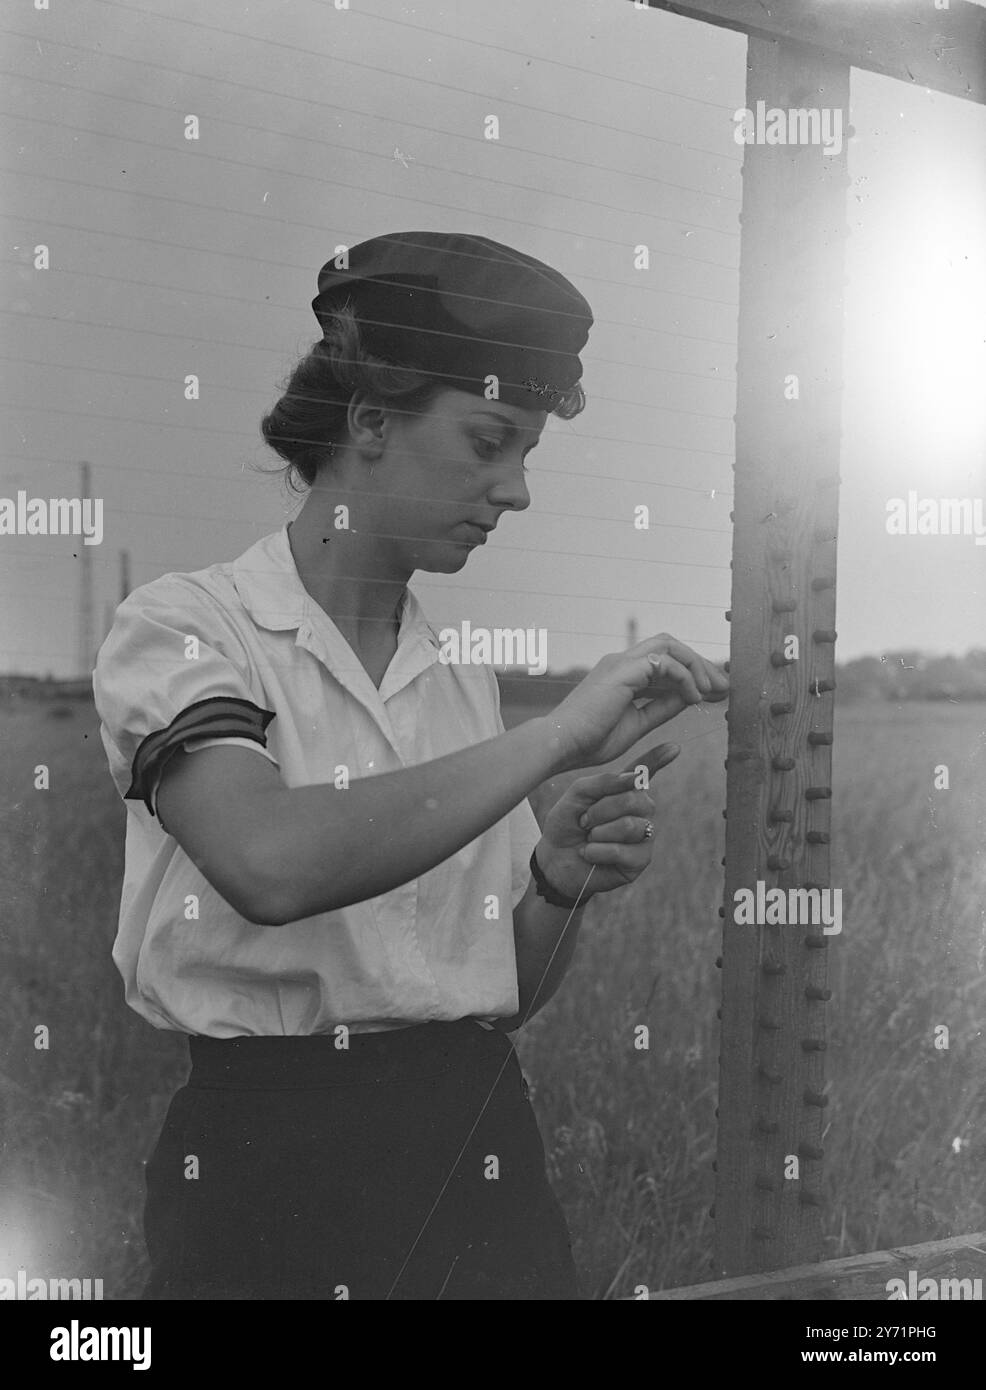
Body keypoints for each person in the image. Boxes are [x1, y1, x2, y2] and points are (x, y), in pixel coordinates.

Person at [92, 230, 728, 1301]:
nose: (514, 491)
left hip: (474, 1148)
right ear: (370, 421)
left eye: (524, 453)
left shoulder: (453, 679)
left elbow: (490, 992)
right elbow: (268, 860)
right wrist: (556, 736)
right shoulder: (191, 627)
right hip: (265, 1163)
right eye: (489, 442)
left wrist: (557, 880)